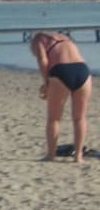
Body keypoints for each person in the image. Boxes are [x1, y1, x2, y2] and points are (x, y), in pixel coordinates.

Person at [30, 31, 93, 163]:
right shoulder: (66, 38)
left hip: (61, 70)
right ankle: (78, 156)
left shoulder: (38, 39)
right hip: (82, 70)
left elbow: (42, 60)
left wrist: (46, 83)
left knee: (54, 119)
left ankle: (51, 155)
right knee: (80, 118)